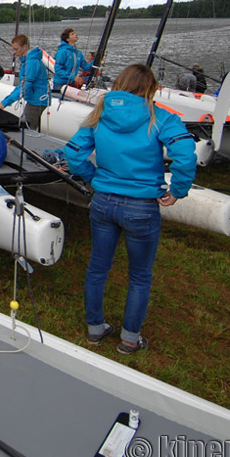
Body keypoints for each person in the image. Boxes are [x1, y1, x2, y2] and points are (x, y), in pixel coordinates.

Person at [64, 63, 197, 355]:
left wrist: (91, 177)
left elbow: (73, 153)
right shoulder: (160, 117)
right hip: (141, 207)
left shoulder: (100, 114)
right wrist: (178, 190)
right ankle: (129, 339)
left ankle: (95, 329)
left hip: (103, 202)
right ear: (150, 89)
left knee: (98, 268)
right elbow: (186, 156)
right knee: (139, 275)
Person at [0, 34, 49, 130]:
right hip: (36, 98)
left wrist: (5, 102)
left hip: (37, 100)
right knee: (26, 125)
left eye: (16, 49)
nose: (14, 52)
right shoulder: (29, 61)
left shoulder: (31, 62)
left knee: (26, 129)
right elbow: (23, 85)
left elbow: (25, 86)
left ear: (24, 47)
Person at [52, 28, 95, 94]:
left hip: (72, 83)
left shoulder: (78, 53)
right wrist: (73, 77)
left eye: (75, 33)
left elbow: (86, 67)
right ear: (67, 39)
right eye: (72, 34)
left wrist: (95, 60)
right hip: (61, 83)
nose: (75, 34)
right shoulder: (62, 52)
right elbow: (58, 70)